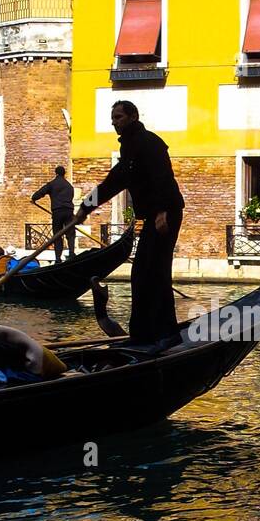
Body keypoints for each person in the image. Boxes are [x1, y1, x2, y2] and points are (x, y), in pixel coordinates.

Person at [76, 101, 185, 347]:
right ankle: (143, 335)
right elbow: (112, 183)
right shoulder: (130, 149)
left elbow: (162, 177)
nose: (114, 122)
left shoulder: (150, 143)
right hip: (155, 216)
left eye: (118, 116)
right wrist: (85, 207)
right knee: (140, 274)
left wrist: (161, 211)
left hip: (166, 214)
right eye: (113, 118)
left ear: (133, 116)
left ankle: (167, 334)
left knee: (155, 273)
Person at [31, 165, 76, 262]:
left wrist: (34, 198)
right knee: (70, 234)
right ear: (64, 174)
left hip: (57, 212)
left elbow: (41, 192)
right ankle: (72, 254)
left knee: (57, 235)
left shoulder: (52, 184)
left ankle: (58, 258)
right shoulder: (69, 186)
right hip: (69, 211)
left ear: (56, 173)